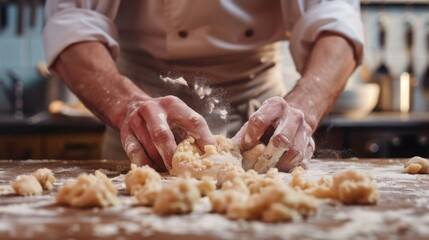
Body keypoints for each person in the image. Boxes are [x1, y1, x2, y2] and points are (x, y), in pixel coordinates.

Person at [44, 0, 364, 172]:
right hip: (142, 124)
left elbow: (335, 16)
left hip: (264, 125)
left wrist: (301, 110)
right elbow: (71, 20)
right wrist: (127, 106)